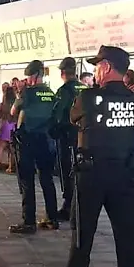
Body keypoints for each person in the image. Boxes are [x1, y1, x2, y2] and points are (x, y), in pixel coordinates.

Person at [57, 46, 134, 267]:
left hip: (92, 175)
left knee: (83, 235)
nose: (95, 71)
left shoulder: (87, 97)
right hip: (124, 176)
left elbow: (72, 119)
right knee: (127, 236)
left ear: (106, 67)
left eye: (97, 66)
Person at [9, 60, 58, 234]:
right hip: (47, 141)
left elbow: (13, 112)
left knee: (27, 181)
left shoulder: (27, 93)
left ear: (34, 75)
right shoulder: (51, 93)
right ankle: (52, 218)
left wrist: (19, 93)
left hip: (28, 141)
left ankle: (28, 221)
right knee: (47, 180)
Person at [50, 57, 87, 222]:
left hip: (68, 135)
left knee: (67, 170)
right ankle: (80, 205)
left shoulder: (64, 90)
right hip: (84, 135)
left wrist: (54, 130)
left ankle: (68, 206)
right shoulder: (85, 88)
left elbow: (59, 113)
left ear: (63, 72)